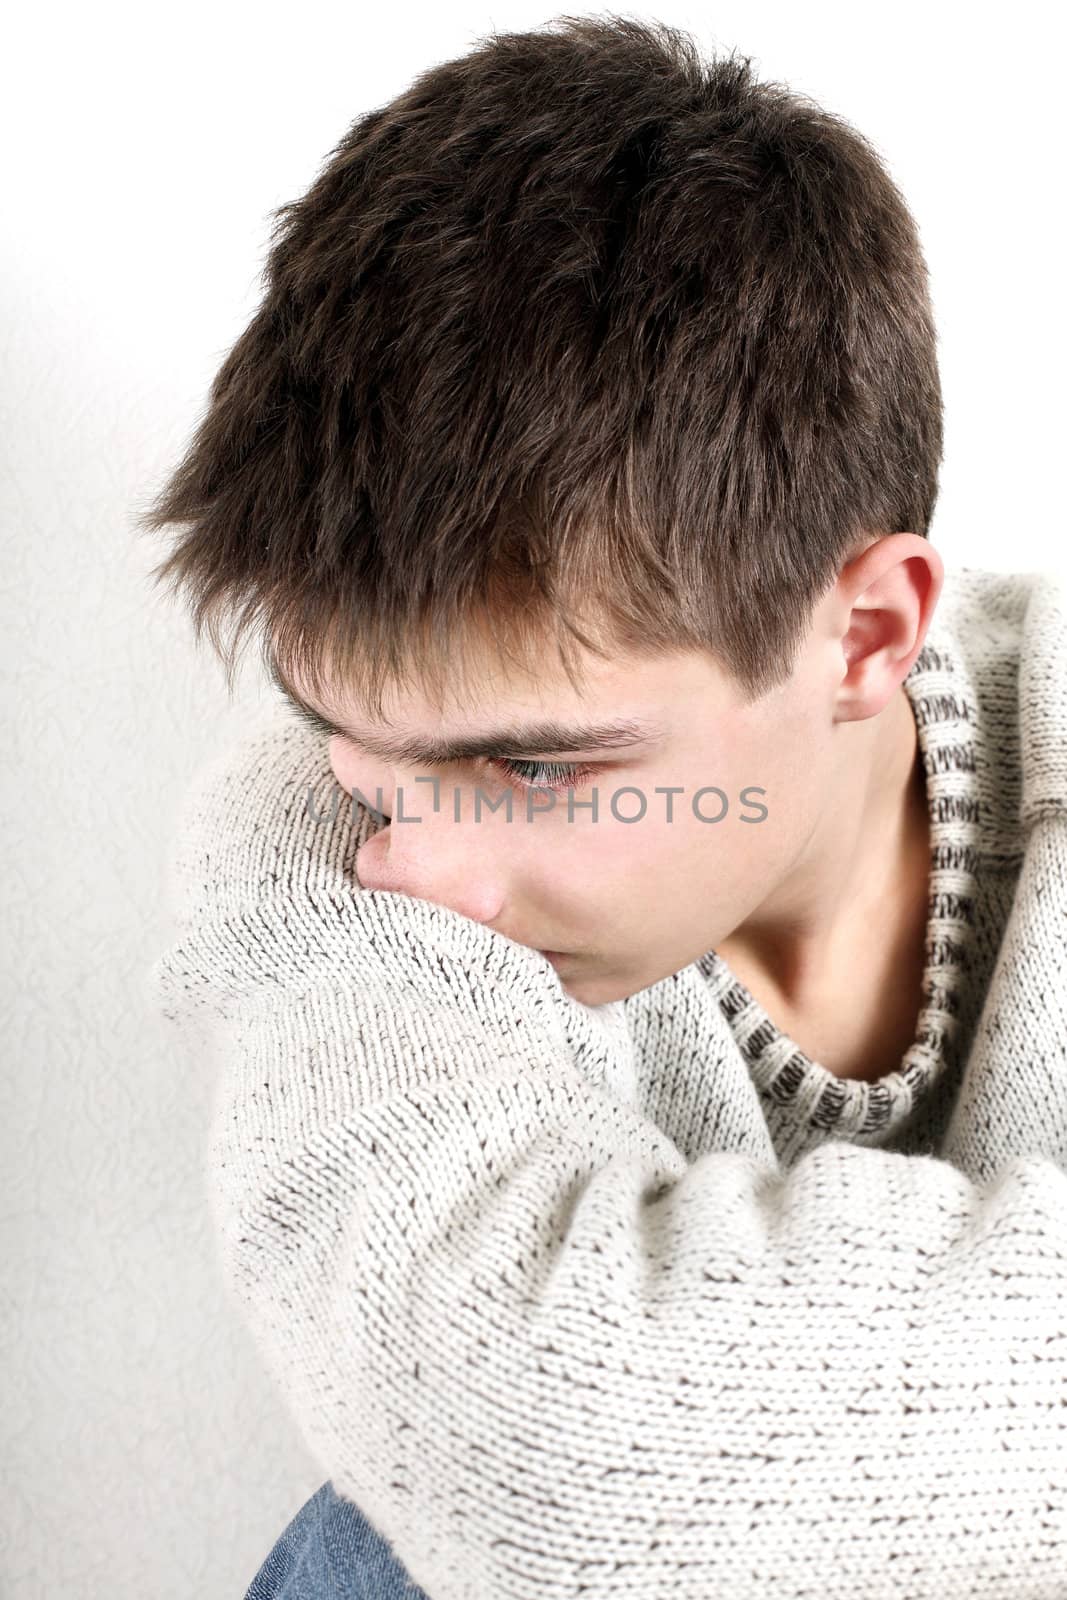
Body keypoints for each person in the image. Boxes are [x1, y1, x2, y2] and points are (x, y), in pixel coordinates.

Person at [140, 16, 1067, 1598]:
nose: (421, 866)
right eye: (350, 730)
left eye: (539, 768)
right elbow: (548, 1450)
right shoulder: (310, 842)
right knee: (384, 1550)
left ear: (864, 636)